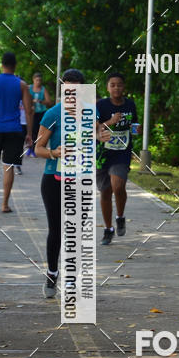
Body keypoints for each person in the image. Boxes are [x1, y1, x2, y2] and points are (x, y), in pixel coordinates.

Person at [35, 68, 111, 298]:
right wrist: (54, 153)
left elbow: (98, 135)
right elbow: (37, 149)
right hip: (54, 180)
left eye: (76, 89)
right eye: (67, 88)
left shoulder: (91, 112)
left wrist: (101, 136)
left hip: (82, 178)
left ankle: (70, 279)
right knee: (57, 230)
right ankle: (51, 273)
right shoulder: (53, 114)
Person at [96, 72, 139, 245]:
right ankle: (108, 229)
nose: (116, 88)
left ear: (124, 87)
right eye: (112, 85)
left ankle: (120, 216)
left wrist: (137, 130)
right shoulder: (101, 105)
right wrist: (111, 121)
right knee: (105, 192)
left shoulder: (130, 105)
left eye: (119, 84)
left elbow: (133, 125)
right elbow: (94, 128)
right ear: (107, 87)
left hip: (122, 152)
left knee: (118, 185)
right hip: (102, 153)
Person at [0, 52, 32, 212]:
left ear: (2, 65)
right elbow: (28, 111)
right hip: (14, 129)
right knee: (9, 166)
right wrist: (29, 133)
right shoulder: (22, 85)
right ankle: (5, 204)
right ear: (15, 65)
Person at [29, 72, 51, 152]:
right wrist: (31, 102)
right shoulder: (29, 88)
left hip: (41, 112)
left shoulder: (43, 89)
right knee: (32, 130)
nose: (38, 82)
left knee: (40, 130)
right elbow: (24, 99)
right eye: (37, 80)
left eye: (40, 80)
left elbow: (49, 102)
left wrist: (40, 101)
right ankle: (31, 148)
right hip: (32, 113)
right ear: (33, 80)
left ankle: (38, 147)